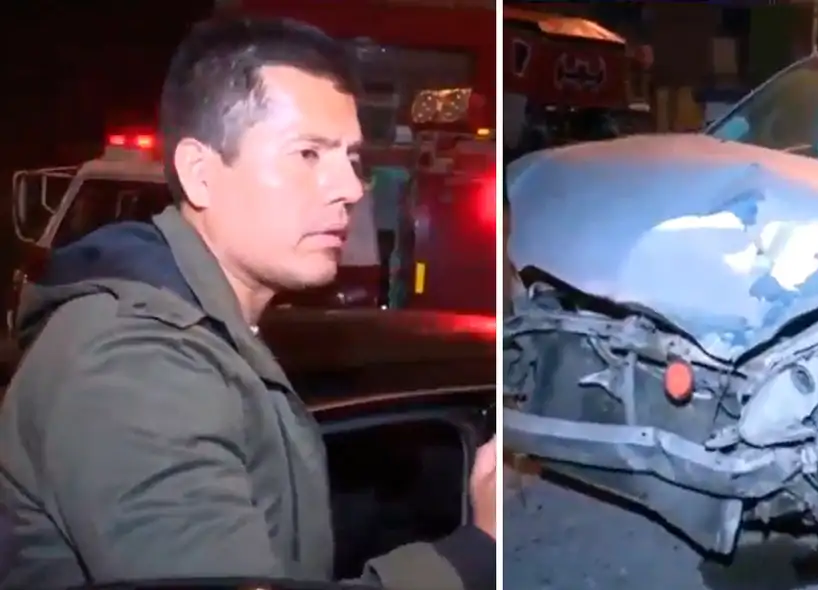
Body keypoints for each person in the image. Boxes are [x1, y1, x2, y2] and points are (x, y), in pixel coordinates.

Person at [0, 17, 496, 590]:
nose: (351, 188)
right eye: (308, 154)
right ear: (200, 174)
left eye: (351, 158)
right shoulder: (134, 366)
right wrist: (476, 554)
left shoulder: (207, 332)